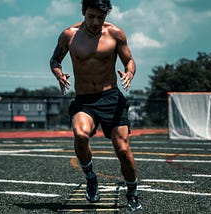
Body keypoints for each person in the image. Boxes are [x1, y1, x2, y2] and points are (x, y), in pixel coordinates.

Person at [50, 0, 142, 211]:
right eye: (91, 16)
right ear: (83, 12)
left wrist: (129, 73)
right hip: (84, 100)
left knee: (122, 149)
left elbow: (129, 60)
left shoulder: (115, 34)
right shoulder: (69, 35)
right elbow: (55, 60)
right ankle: (91, 178)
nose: (95, 21)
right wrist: (58, 74)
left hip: (111, 98)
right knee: (80, 135)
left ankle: (132, 192)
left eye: (100, 17)